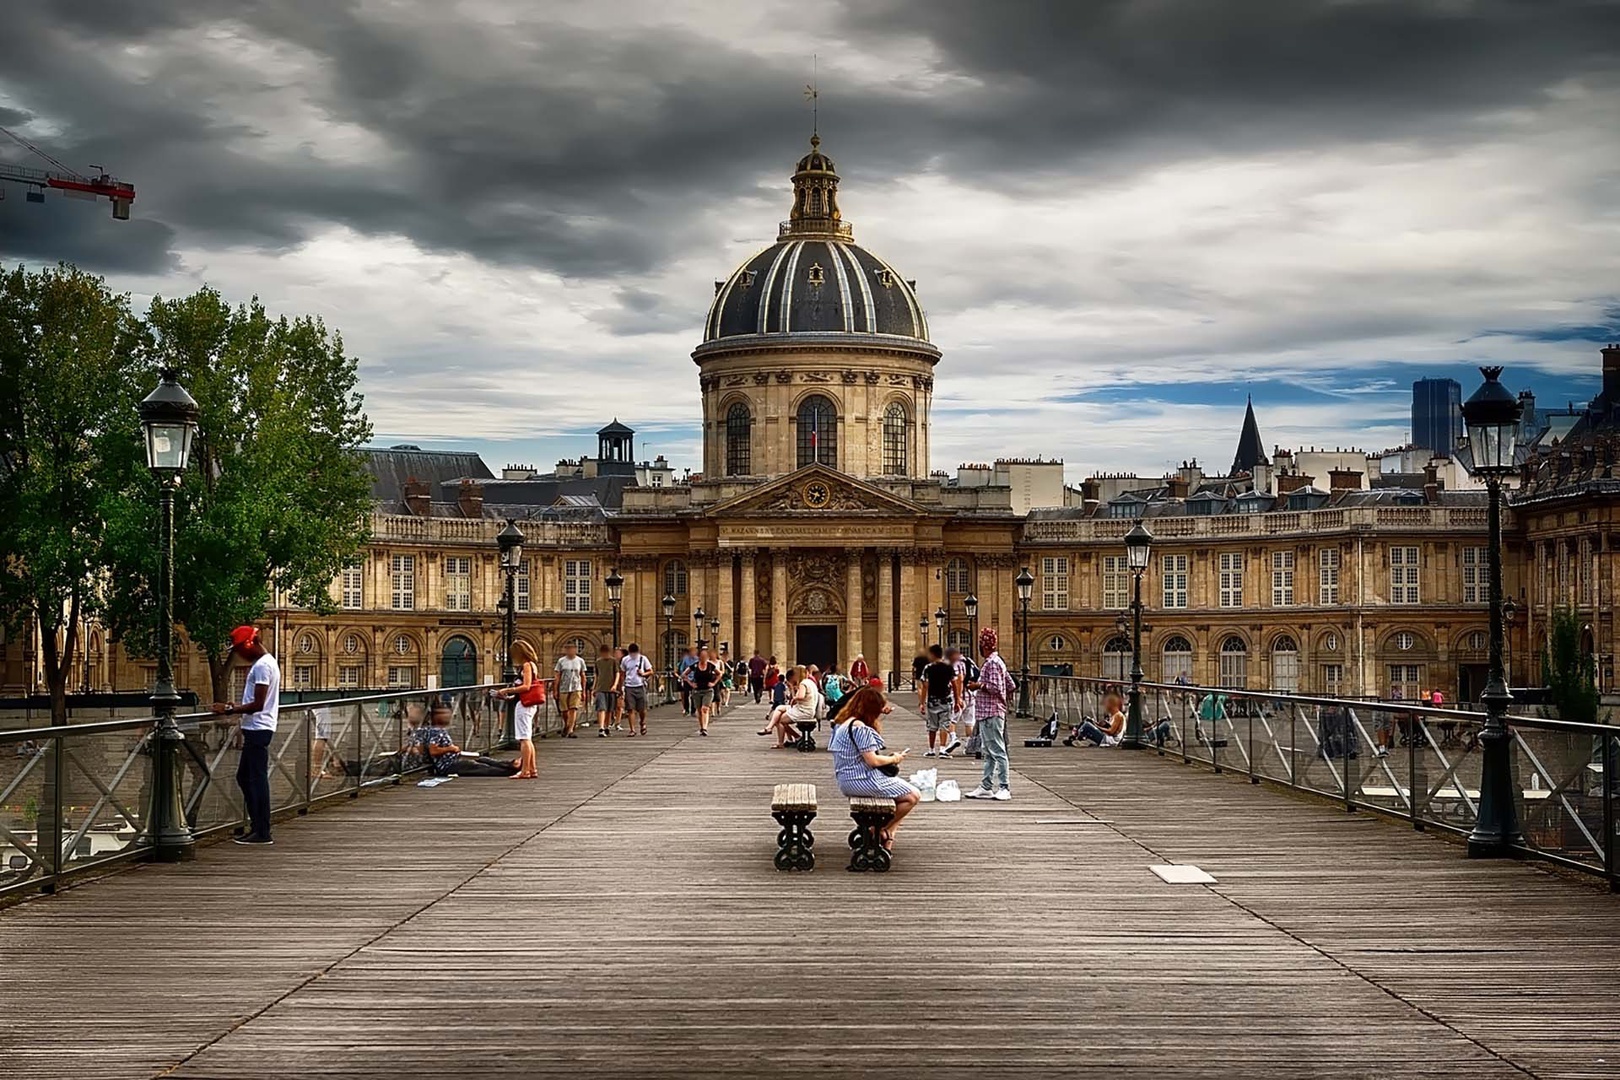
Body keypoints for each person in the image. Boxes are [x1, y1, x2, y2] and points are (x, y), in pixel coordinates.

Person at [210, 625, 281, 845]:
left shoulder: (261, 666)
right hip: (259, 727)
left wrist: (230, 709)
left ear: (250, 644)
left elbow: (258, 704)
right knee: (247, 777)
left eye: (239, 648)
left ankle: (262, 830)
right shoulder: (269, 663)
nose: (239, 654)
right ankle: (258, 827)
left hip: (258, 728)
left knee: (256, 779)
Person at [829, 686, 919, 850]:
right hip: (860, 780)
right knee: (913, 796)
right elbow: (873, 761)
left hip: (846, 779)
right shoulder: (859, 728)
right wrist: (894, 758)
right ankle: (878, 831)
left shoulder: (843, 723)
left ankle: (888, 834)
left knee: (901, 795)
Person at [964, 627, 1015, 801]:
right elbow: (1010, 685)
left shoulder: (992, 663)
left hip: (991, 712)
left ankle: (1004, 787)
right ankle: (986, 786)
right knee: (989, 751)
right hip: (990, 712)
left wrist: (978, 686)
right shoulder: (998, 661)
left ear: (984, 646)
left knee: (998, 750)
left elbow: (996, 687)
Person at [420, 698, 520, 776]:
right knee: (479, 767)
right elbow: (434, 751)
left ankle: (510, 764)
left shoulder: (439, 730)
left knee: (484, 759)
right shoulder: (435, 731)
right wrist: (450, 748)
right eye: (444, 714)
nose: (448, 716)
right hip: (448, 764)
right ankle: (509, 771)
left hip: (455, 758)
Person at [497, 640, 542, 777]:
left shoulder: (526, 665)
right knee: (527, 737)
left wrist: (507, 690)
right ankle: (532, 769)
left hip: (525, 705)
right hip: (528, 703)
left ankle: (525, 770)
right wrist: (510, 696)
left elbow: (526, 686)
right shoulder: (532, 665)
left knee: (524, 738)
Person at [918, 644, 958, 758]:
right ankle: (942, 749)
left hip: (932, 701)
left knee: (932, 726)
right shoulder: (949, 667)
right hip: (946, 700)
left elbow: (925, 685)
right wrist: (957, 699)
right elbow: (954, 684)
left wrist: (922, 702)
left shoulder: (928, 668)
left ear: (933, 654)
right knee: (944, 725)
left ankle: (931, 749)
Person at [945, 645, 975, 757]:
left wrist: (958, 698)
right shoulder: (969, 661)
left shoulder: (956, 664)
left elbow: (959, 679)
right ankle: (969, 745)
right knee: (969, 722)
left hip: (959, 695)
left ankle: (953, 739)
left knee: (951, 720)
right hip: (971, 695)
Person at [553, 641, 587, 738]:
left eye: (572, 649)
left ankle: (571, 729)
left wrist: (583, 690)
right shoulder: (561, 661)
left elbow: (583, 676)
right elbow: (557, 676)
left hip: (576, 687)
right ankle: (567, 725)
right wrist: (555, 690)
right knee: (564, 710)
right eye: (568, 649)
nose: (570, 651)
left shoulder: (580, 661)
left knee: (573, 708)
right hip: (564, 687)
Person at [620, 643, 653, 736]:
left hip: (640, 685)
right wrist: (621, 686)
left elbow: (651, 671)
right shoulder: (625, 660)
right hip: (629, 686)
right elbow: (622, 673)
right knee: (630, 709)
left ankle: (642, 722)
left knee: (642, 709)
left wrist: (643, 674)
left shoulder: (643, 659)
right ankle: (632, 729)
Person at [688, 646, 721, 735]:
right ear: (699, 657)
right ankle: (702, 727)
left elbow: (719, 674)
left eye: (705, 656)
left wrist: (714, 683)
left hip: (708, 690)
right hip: (697, 691)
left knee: (705, 709)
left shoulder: (710, 666)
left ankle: (705, 728)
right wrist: (691, 683)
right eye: (702, 656)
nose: (703, 658)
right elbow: (684, 674)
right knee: (699, 710)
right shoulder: (695, 665)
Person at [592, 643, 622, 737]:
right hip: (600, 688)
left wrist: (615, 685)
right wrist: (594, 687)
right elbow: (596, 675)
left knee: (609, 709)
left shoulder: (613, 661)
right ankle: (601, 728)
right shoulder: (598, 662)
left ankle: (606, 727)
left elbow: (617, 673)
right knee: (601, 708)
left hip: (611, 689)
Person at [678, 646, 699, 716]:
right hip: (687, 679)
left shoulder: (697, 660)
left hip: (694, 679)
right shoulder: (685, 659)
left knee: (694, 695)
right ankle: (686, 709)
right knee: (686, 694)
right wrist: (683, 676)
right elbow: (681, 669)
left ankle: (693, 710)